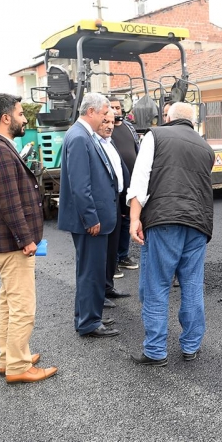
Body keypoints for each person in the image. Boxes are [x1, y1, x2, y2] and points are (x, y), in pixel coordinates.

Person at [0, 94, 58, 384]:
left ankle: (9, 357)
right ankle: (19, 366)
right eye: (21, 114)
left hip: (5, 242)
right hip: (11, 244)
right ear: (6, 118)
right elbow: (9, 202)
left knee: (9, 304)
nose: (25, 119)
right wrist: (26, 239)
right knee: (23, 306)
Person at [126, 102, 215, 366]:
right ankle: (190, 346)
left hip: (165, 219)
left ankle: (155, 351)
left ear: (168, 117)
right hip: (198, 223)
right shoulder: (205, 147)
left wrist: (134, 219)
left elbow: (140, 179)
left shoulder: (156, 135)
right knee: (192, 285)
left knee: (156, 286)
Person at [57, 93, 120, 338]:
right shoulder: (79, 137)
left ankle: (91, 316)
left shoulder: (84, 135)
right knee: (90, 272)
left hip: (94, 219)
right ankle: (88, 323)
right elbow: (80, 186)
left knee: (92, 271)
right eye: (104, 113)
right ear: (91, 112)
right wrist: (91, 217)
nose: (107, 118)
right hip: (90, 222)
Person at [96, 105, 131, 301]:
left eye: (111, 122)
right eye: (105, 121)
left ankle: (108, 287)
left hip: (117, 202)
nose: (110, 126)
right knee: (102, 252)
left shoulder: (110, 142)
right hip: (104, 204)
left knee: (112, 250)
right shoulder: (95, 144)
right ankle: (99, 293)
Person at [109, 97, 140, 272]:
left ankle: (123, 255)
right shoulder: (106, 129)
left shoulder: (129, 127)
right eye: (111, 107)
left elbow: (137, 149)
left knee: (128, 219)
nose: (115, 110)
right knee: (117, 221)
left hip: (132, 182)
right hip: (116, 184)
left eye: (118, 107)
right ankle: (112, 261)